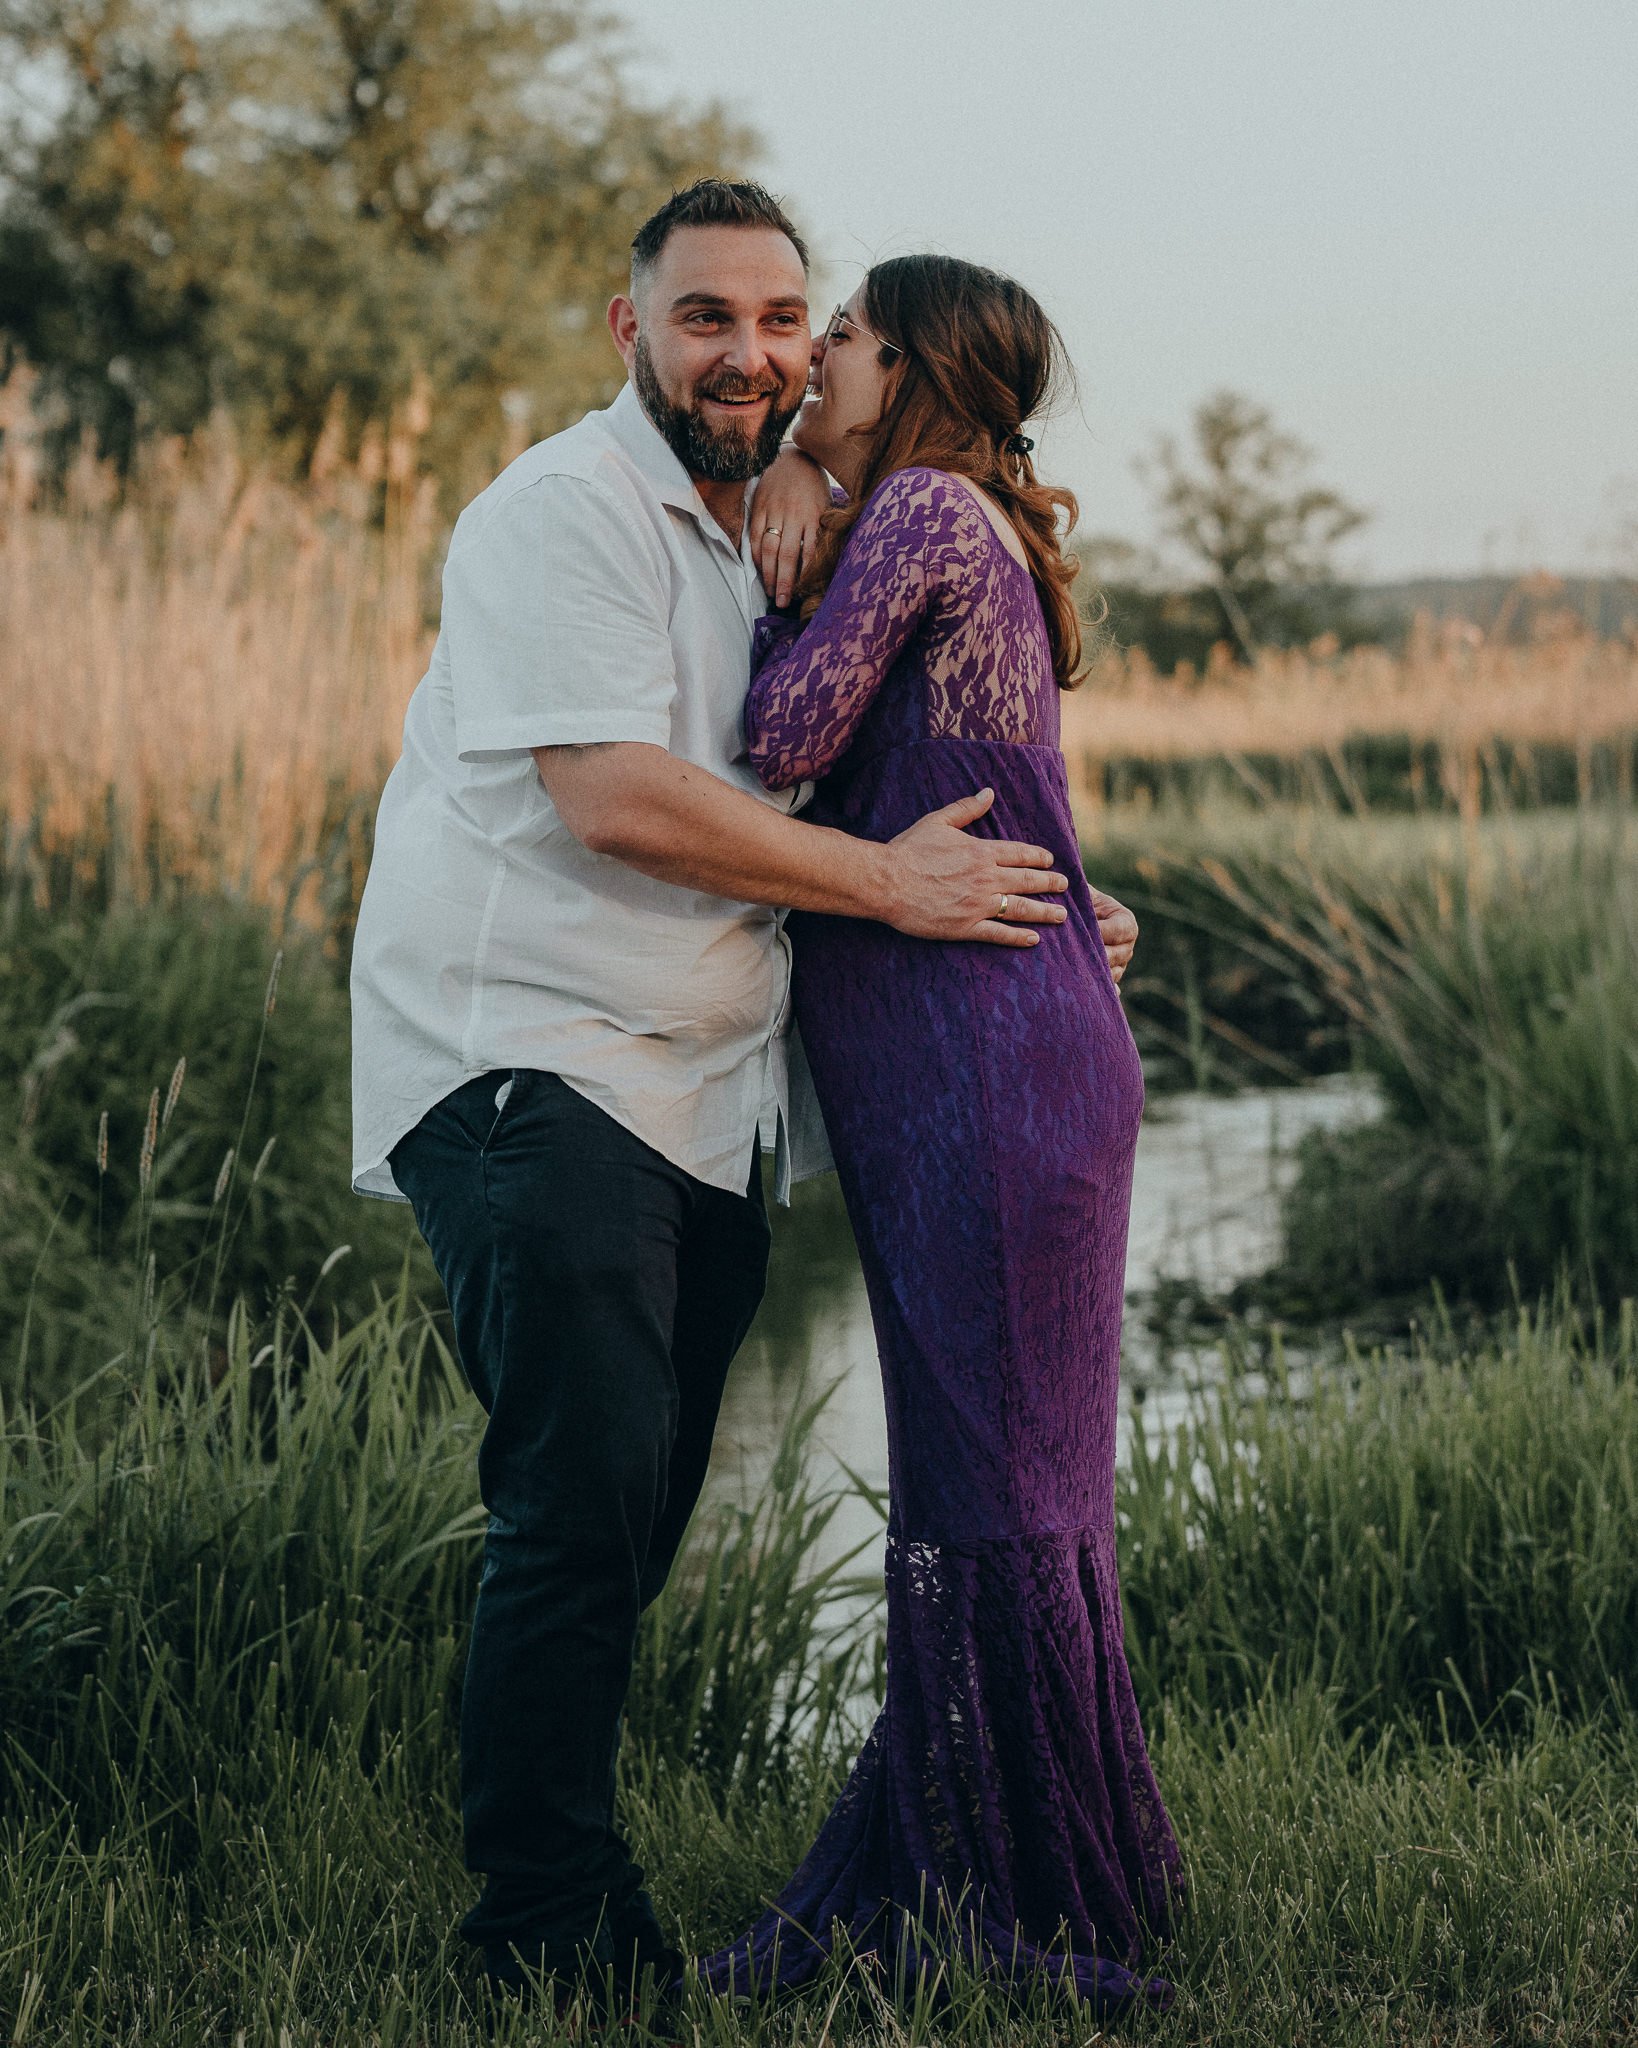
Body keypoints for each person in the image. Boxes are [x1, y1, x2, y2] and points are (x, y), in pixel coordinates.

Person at [348, 180, 1141, 2011]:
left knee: (637, 1504)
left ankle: (912, 1849)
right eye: (710, 317)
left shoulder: (794, 523)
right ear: (631, 329)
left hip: (707, 1098)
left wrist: (1033, 888)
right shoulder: (563, 512)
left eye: (792, 321)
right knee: (581, 1496)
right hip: (530, 1067)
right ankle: (543, 1932)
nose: (759, 352)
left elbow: (902, 741)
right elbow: (619, 796)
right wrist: (906, 890)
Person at [699, 257, 1182, 2013]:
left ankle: (1003, 1894)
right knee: (1017, 1487)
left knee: (985, 1485)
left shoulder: (910, 511)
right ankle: (1066, 1856)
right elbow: (999, 791)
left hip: (981, 1071)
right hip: (1004, 1057)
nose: (810, 354)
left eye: (838, 335)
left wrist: (806, 508)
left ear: (905, 367)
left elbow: (785, 733)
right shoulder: (972, 525)